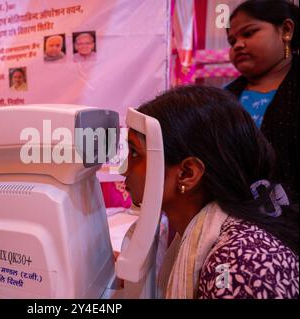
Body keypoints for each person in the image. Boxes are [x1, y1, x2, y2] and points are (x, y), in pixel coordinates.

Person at [123, 85, 298, 299]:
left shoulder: (237, 265)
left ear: (187, 173)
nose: (124, 168)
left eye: (134, 153)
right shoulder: (195, 235)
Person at [225, 0, 298, 202]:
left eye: (248, 33)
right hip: (237, 215)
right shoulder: (225, 98)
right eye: (232, 42)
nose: (238, 44)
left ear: (286, 30)